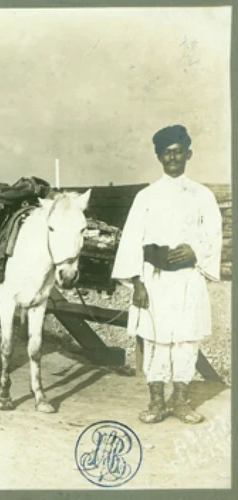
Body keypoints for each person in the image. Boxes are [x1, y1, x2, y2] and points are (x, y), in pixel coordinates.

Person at [112, 124, 223, 425]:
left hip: (187, 279)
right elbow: (132, 240)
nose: (172, 158)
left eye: (177, 152)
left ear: (188, 154)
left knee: (186, 340)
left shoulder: (202, 195)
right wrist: (137, 282)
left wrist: (194, 250)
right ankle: (156, 402)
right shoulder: (146, 196)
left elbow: (213, 235)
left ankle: (181, 402)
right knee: (156, 340)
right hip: (154, 279)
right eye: (166, 154)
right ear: (159, 157)